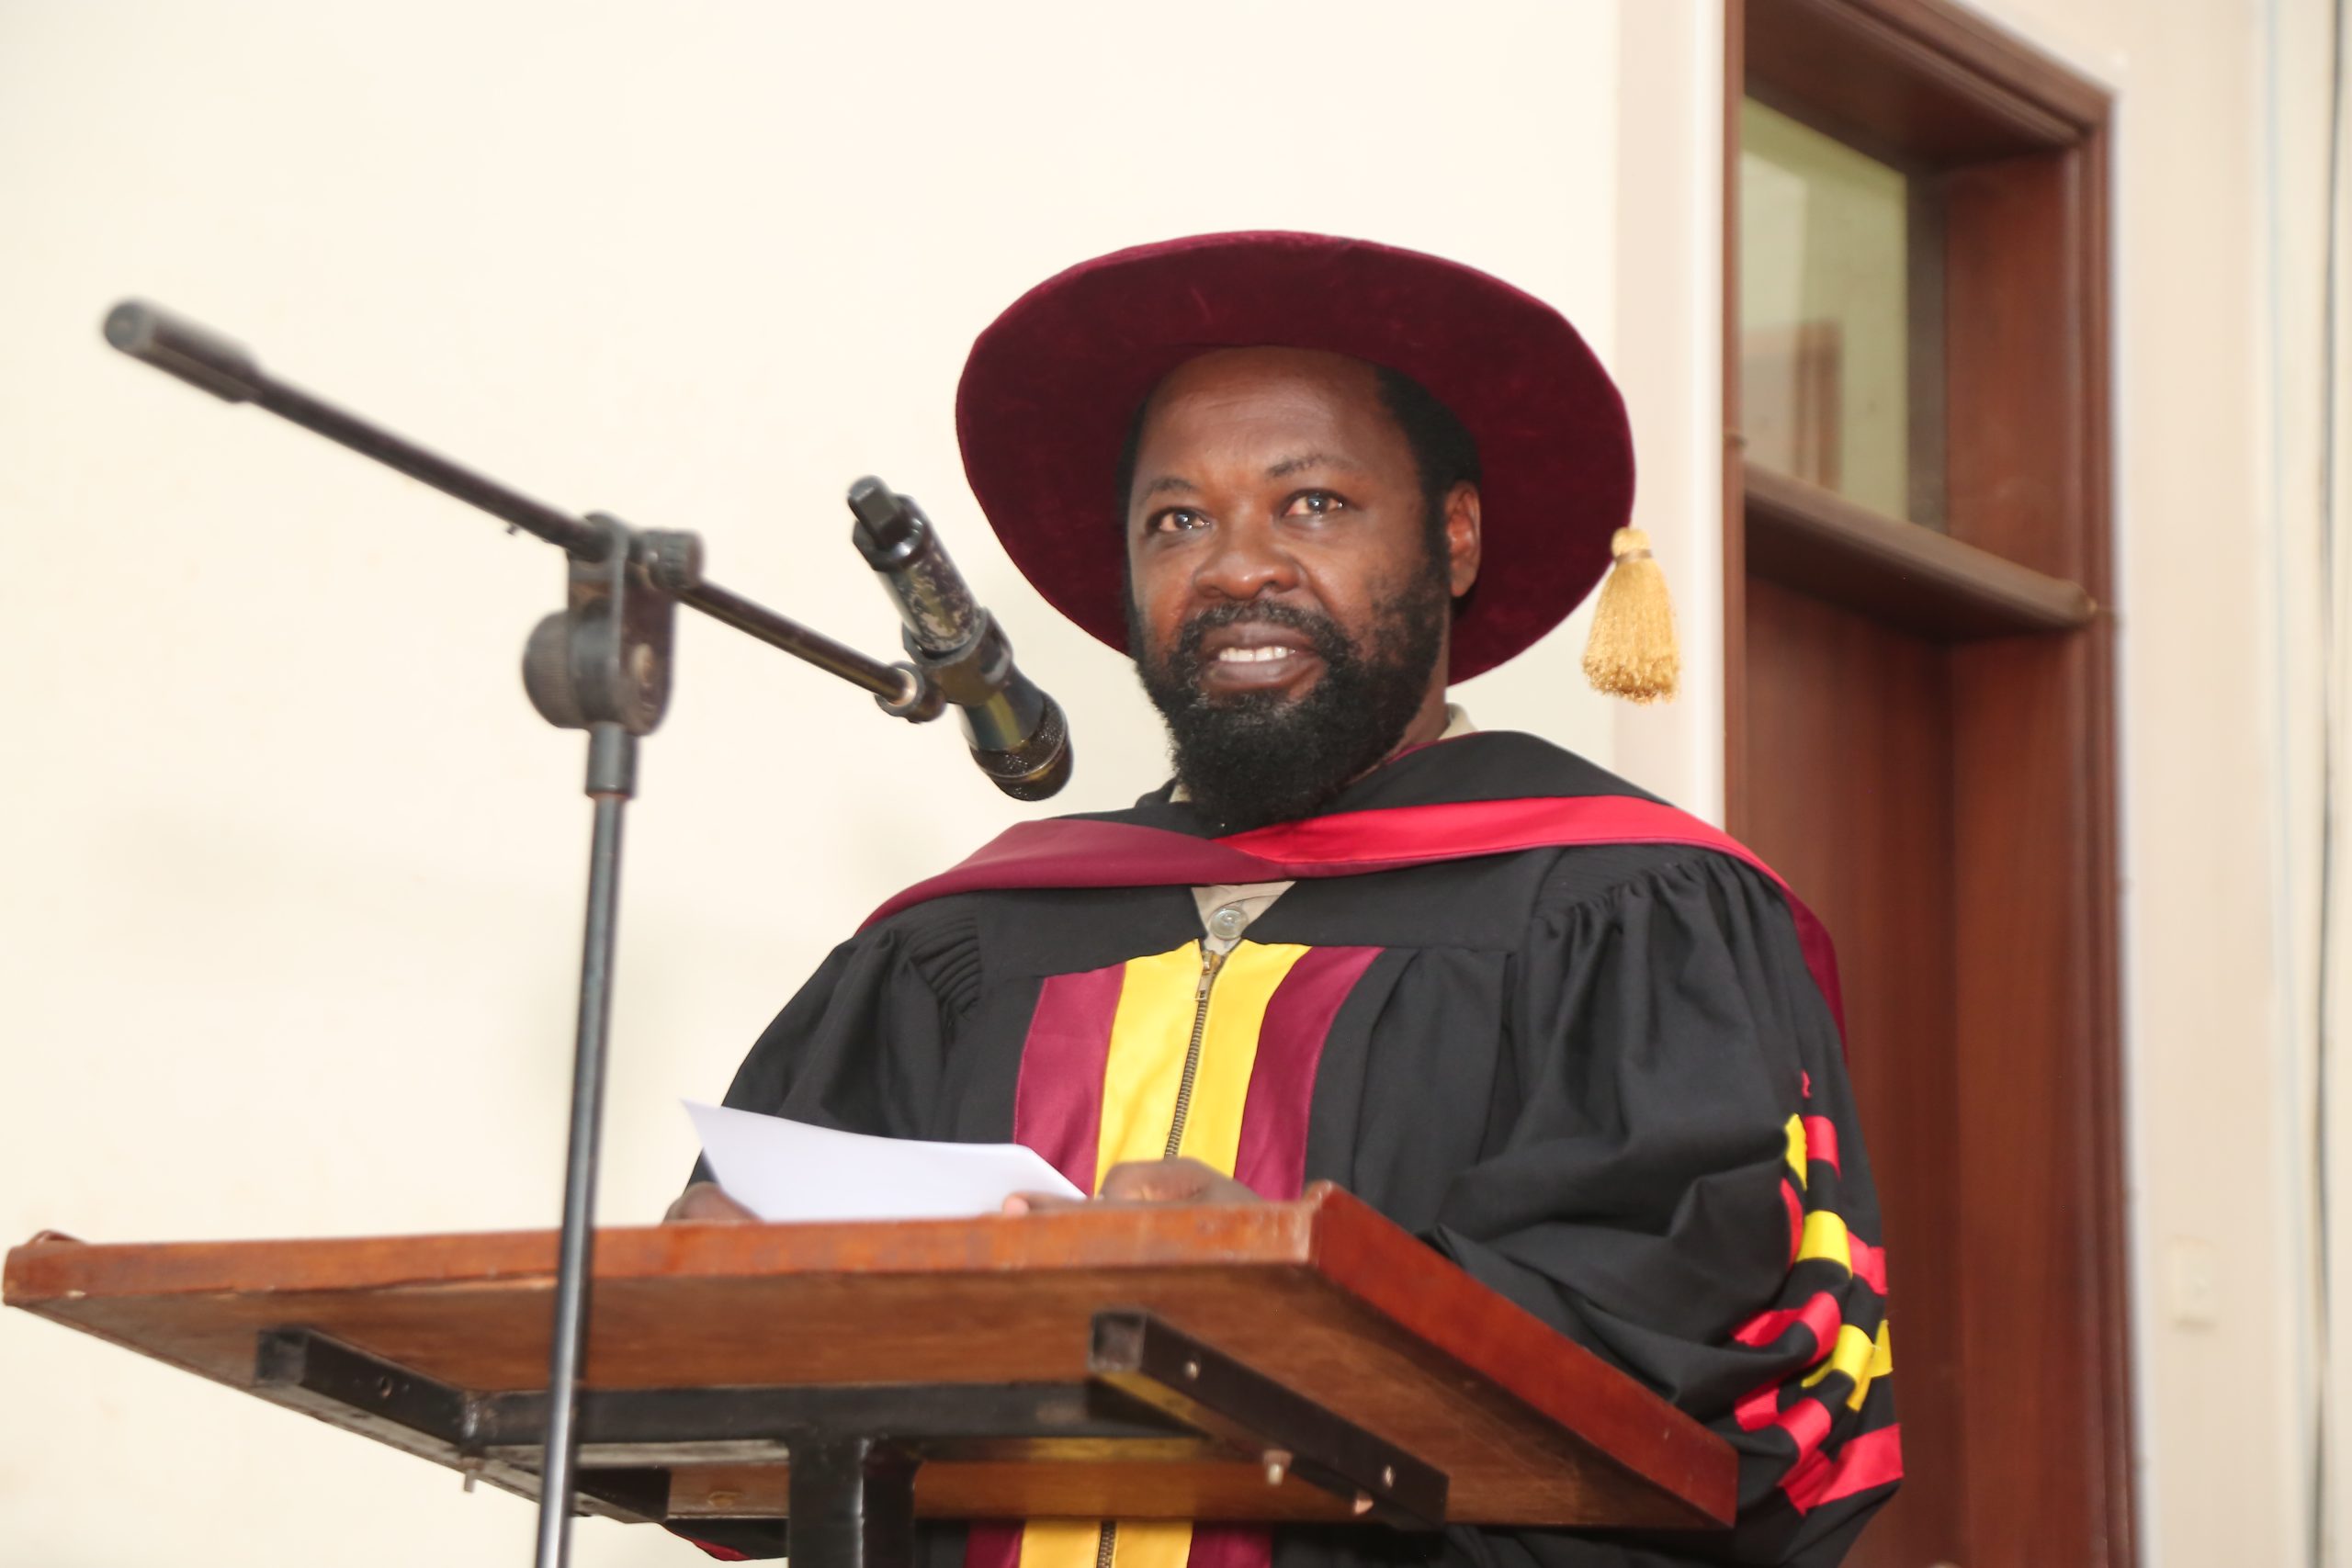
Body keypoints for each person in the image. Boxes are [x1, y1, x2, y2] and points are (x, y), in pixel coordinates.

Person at [669, 232, 1899, 1568]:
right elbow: (730, 1408)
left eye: (1310, 504)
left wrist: (1290, 1291)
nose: (1237, 564)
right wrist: (729, 1288)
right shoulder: (962, 942)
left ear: (1455, 538)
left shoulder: (1622, 911)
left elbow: (1703, 1350)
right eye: (1177, 519)